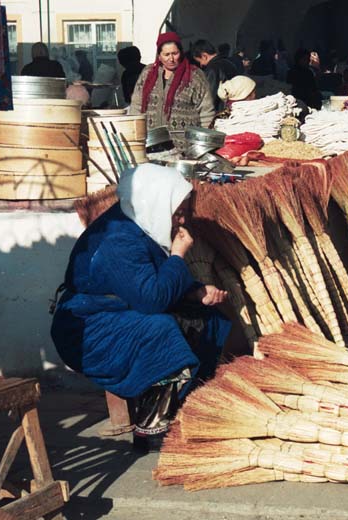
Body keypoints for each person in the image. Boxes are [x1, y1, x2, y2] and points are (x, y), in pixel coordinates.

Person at [51, 163, 231, 438]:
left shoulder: (140, 222)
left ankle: (189, 403)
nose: (181, 221)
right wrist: (178, 256)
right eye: (178, 213)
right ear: (157, 203)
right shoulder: (118, 239)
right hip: (87, 329)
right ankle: (152, 424)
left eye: (184, 213)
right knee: (161, 329)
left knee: (208, 319)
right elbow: (152, 300)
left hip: (119, 312)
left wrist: (195, 292)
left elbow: (146, 283)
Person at [129, 32, 215, 152]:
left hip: (184, 148)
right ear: (159, 55)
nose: (171, 58)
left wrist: (204, 146)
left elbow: (206, 113)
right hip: (151, 146)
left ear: (181, 52)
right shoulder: (147, 74)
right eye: (166, 54)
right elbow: (136, 107)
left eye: (175, 53)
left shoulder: (194, 76)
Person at [191, 40, 239, 113]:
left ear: (204, 56)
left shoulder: (212, 70)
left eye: (199, 61)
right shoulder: (230, 63)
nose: (201, 65)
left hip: (221, 112)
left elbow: (209, 98)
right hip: (235, 108)